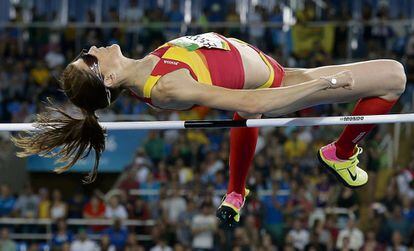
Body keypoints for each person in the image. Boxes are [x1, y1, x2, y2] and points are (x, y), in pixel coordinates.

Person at [13, 32, 406, 228]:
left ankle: (249, 186)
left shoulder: (147, 63)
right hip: (284, 84)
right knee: (394, 77)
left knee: (391, 76)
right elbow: (252, 107)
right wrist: (324, 86)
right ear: (110, 78)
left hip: (277, 70)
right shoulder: (165, 86)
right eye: (88, 59)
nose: (92, 50)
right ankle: (339, 153)